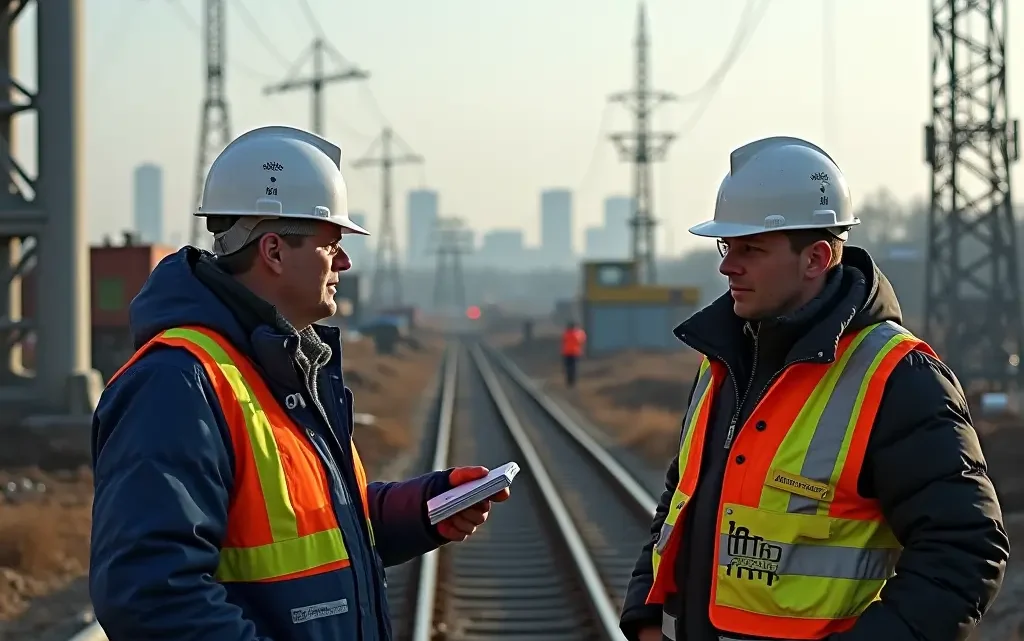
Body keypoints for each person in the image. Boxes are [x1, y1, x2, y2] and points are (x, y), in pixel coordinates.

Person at [88, 125, 510, 641]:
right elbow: (150, 595)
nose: (345, 262)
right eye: (332, 243)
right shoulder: (178, 383)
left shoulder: (281, 368)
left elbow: (305, 528)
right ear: (273, 251)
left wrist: (418, 510)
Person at [618, 136, 1009, 641]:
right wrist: (645, 616)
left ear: (817, 258)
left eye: (751, 249)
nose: (727, 266)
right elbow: (681, 501)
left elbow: (966, 549)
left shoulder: (898, 378)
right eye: (725, 246)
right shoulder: (724, 359)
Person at [561, 320, 586, 387]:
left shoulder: (566, 333)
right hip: (575, 353)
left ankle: (569, 381)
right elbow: (582, 340)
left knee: (568, 368)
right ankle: (573, 382)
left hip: (567, 353)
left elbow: (563, 341)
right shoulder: (578, 333)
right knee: (574, 368)